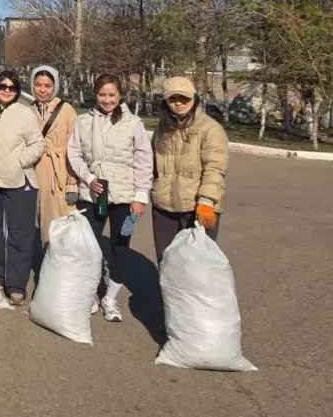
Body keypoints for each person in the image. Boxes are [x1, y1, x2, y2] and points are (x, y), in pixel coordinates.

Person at [67, 74, 153, 323]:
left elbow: (144, 161)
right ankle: (91, 293)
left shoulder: (133, 123)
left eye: (112, 95)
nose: (107, 100)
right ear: (96, 94)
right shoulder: (83, 122)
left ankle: (110, 297)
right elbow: (74, 154)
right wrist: (89, 179)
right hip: (93, 195)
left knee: (121, 246)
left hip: (125, 198)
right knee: (88, 246)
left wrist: (140, 197)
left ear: (120, 95)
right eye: (103, 95)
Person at [0, 71, 45, 305]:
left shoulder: (24, 114)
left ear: (17, 90)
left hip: (19, 182)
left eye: (12, 87)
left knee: (19, 234)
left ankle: (16, 284)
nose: (6, 90)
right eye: (2, 86)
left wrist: (19, 161)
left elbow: (38, 143)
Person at [150, 76, 228, 263]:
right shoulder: (162, 130)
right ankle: (165, 294)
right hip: (164, 208)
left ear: (194, 99)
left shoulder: (210, 129)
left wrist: (207, 201)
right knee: (167, 262)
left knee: (196, 266)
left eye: (184, 98)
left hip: (197, 208)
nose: (179, 103)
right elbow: (152, 166)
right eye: (173, 99)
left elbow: (215, 168)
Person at [30, 65, 79, 246]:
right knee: (44, 223)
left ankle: (65, 269)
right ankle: (49, 265)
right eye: (38, 84)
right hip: (37, 173)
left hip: (61, 174)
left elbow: (76, 148)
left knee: (64, 226)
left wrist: (73, 183)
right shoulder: (29, 110)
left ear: (55, 86)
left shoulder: (66, 110)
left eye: (48, 85)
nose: (42, 90)